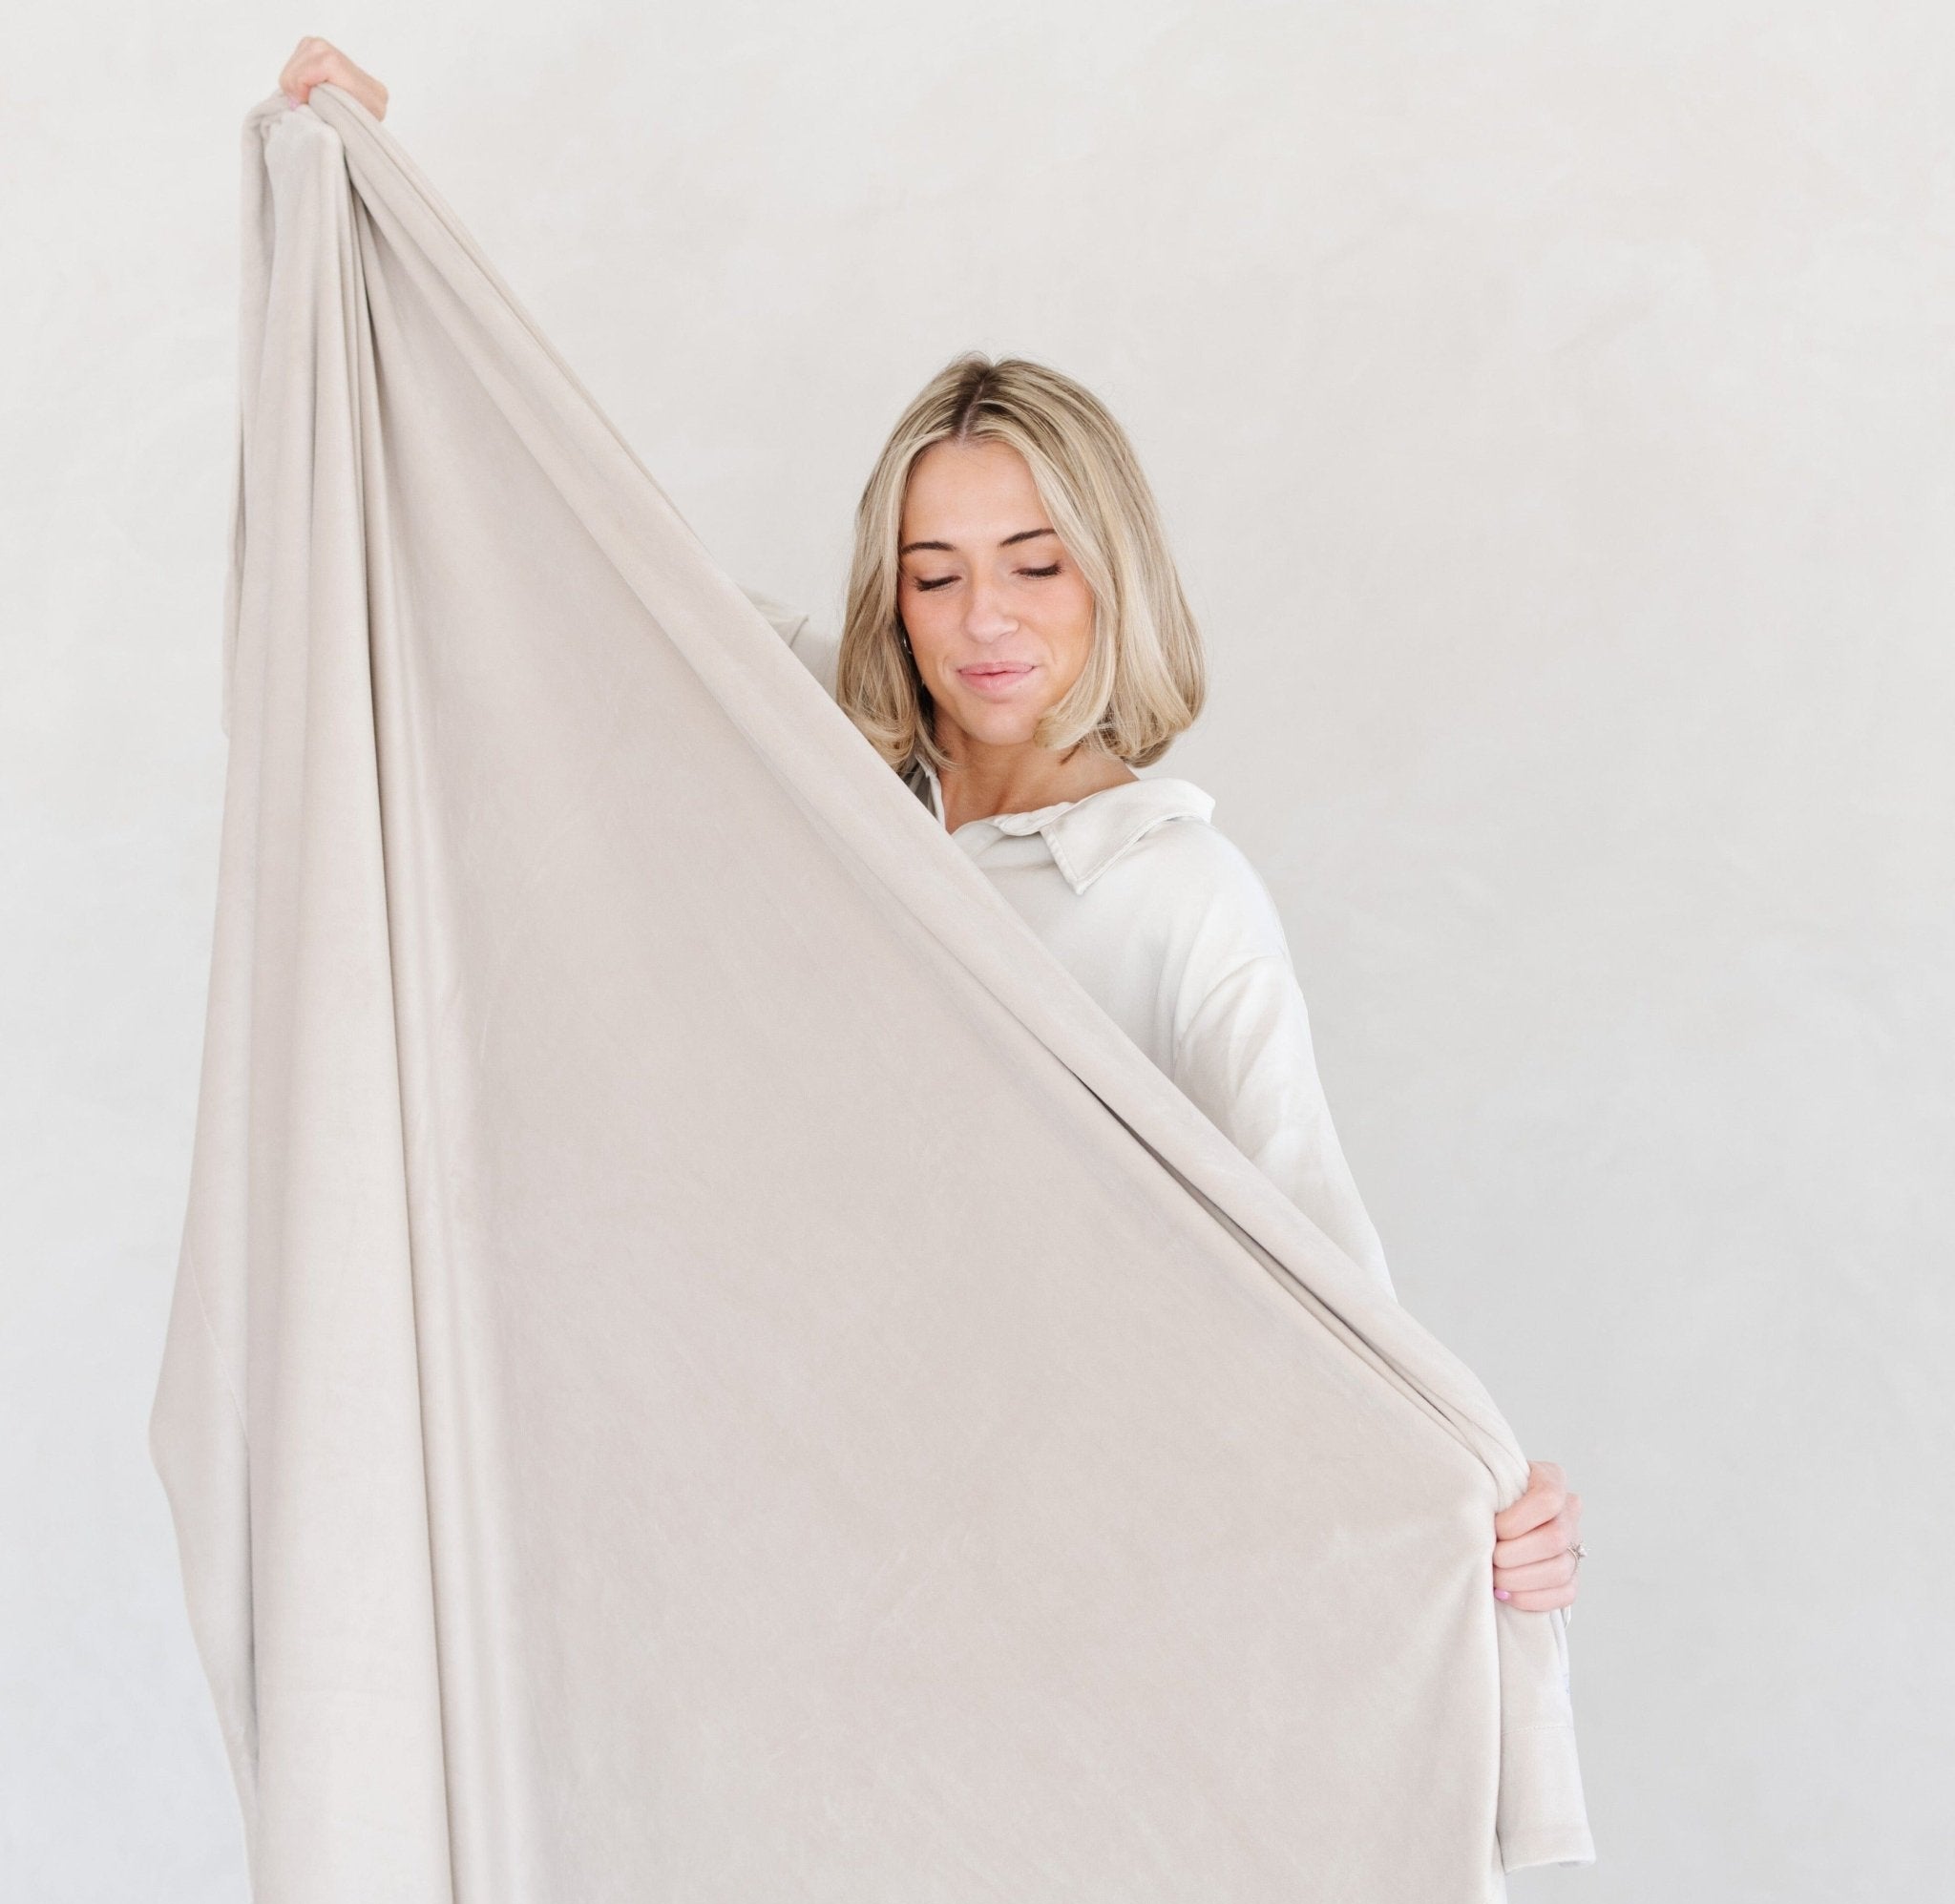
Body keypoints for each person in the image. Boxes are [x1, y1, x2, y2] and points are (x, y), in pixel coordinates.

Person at [273, 38, 1586, 1617]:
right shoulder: (820, 766)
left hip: (1045, 1537)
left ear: (1110, 572)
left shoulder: (1176, 895)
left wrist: (1471, 1496)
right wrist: (378, 212)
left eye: (1035, 562)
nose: (986, 620)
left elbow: (1321, 1263)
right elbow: (572, 527)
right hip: (774, 1481)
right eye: (935, 571)